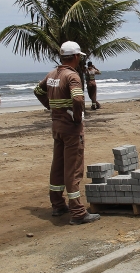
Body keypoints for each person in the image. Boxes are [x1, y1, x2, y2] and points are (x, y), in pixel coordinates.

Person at [34, 41, 100, 225]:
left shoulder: (52, 74)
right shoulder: (72, 76)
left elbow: (37, 90)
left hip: (57, 127)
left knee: (58, 165)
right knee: (73, 169)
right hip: (71, 129)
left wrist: (51, 107)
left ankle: (57, 204)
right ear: (76, 57)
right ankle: (78, 212)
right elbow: (78, 99)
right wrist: (77, 117)